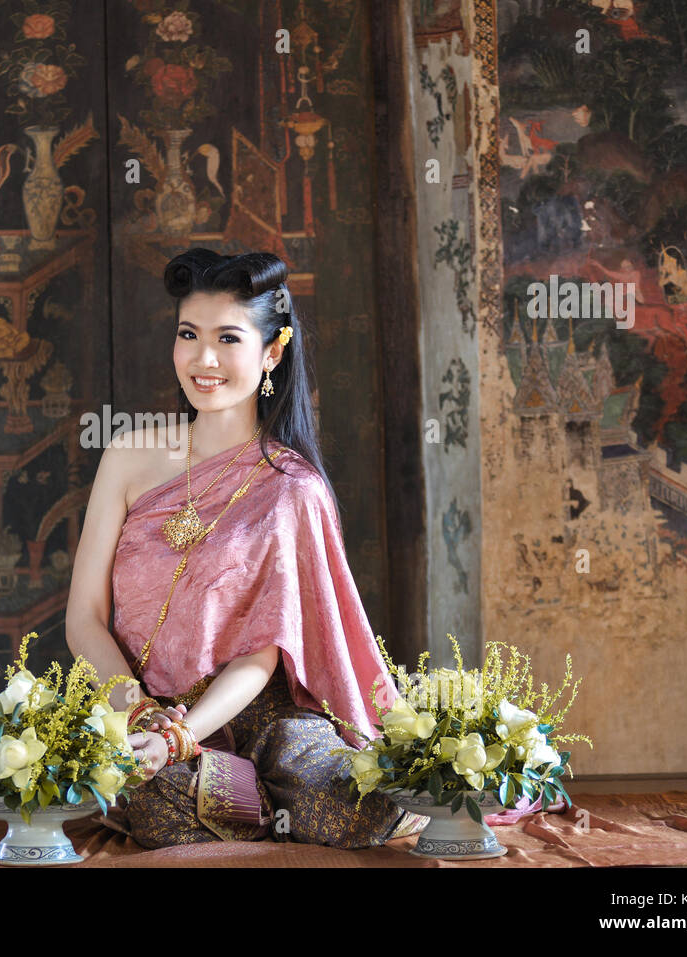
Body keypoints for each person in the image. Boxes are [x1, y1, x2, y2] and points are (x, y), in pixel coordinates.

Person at [65, 248, 429, 849]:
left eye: (228, 339)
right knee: (161, 805)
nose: (203, 360)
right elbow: (85, 617)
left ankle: (249, 790)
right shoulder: (128, 455)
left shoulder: (290, 488)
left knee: (354, 807)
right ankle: (234, 795)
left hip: (259, 710)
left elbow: (263, 653)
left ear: (271, 353)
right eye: (189, 335)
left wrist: (182, 738)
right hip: (136, 701)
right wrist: (140, 716)